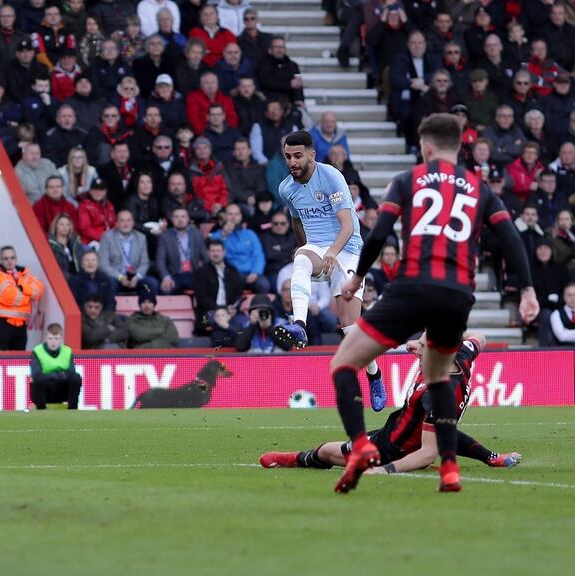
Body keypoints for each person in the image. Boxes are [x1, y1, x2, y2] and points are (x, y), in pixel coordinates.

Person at [331, 113, 538, 494]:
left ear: (426, 147)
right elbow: (511, 239)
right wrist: (526, 291)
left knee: (344, 362)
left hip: (413, 285)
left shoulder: (408, 180)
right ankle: (448, 470)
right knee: (440, 375)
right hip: (457, 294)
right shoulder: (480, 189)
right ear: (459, 147)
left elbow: (379, 232)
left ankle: (360, 448)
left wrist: (358, 277)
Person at [261, 331, 524, 473]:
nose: (416, 351)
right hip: (401, 428)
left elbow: (428, 453)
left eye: (423, 347)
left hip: (391, 447)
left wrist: (386, 469)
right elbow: (480, 337)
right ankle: (492, 458)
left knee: (328, 452)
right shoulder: (462, 356)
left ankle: (295, 459)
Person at [271, 130, 387, 410]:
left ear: (312, 154)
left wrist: (332, 254)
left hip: (348, 250)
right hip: (320, 248)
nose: (292, 162)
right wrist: (308, 251)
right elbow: (297, 220)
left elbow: (347, 225)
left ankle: (375, 375)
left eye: (298, 156)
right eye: (288, 157)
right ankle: (299, 325)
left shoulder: (331, 176)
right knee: (299, 258)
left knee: (350, 327)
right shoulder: (287, 188)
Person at [0, 245, 45, 351]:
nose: (10, 261)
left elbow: (39, 290)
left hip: (21, 325)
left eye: (12, 257)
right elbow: (12, 297)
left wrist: (22, 288)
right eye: (6, 258)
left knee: (19, 363)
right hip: (2, 324)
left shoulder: (24, 274)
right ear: (1, 260)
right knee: (0, 362)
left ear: (16, 259)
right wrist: (29, 296)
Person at [97, 210, 160, 296]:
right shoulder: (107, 237)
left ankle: (147, 308)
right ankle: (110, 309)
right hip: (116, 278)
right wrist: (120, 277)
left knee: (150, 284)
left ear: (133, 223)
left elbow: (144, 262)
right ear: (116, 223)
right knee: (109, 284)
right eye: (122, 221)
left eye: (128, 220)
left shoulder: (141, 237)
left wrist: (137, 277)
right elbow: (103, 264)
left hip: (135, 279)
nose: (126, 224)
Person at [210, 203, 269, 294]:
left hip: (250, 273)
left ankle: (259, 308)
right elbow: (213, 251)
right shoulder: (217, 235)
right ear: (225, 216)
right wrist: (224, 234)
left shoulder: (250, 234)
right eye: (230, 214)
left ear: (241, 216)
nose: (233, 217)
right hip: (230, 275)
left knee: (264, 284)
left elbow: (258, 256)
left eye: (236, 214)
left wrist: (255, 272)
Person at [194, 239, 243, 334]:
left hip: (229, 311)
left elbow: (238, 293)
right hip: (207, 312)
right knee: (205, 323)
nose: (215, 254)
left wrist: (233, 308)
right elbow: (201, 297)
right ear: (208, 252)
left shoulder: (232, 270)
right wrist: (218, 309)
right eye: (213, 251)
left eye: (218, 251)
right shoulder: (201, 272)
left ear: (224, 252)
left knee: (243, 321)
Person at [29, 323, 83, 409]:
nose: (53, 341)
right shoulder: (37, 351)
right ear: (46, 338)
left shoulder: (67, 351)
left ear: (61, 339)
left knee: (76, 378)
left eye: (56, 338)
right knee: (39, 379)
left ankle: (73, 408)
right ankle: (41, 409)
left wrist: (51, 375)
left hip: (60, 389)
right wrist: (59, 374)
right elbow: (36, 374)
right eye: (50, 338)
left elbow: (72, 372)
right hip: (45, 390)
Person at [156, 207, 207, 295]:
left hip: (193, 274)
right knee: (165, 290)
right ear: (172, 219)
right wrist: (166, 277)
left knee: (209, 287)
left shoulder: (197, 234)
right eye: (176, 217)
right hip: (174, 275)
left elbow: (205, 256)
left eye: (183, 217)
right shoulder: (165, 236)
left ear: (188, 219)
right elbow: (160, 260)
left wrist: (209, 274)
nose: (180, 220)